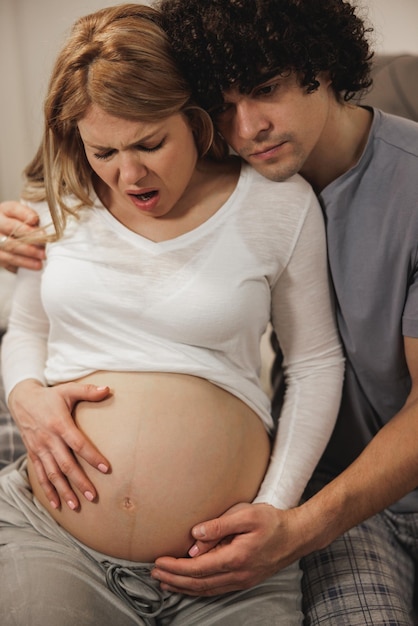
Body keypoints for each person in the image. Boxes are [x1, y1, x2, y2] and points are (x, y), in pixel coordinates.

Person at [1, 0, 416, 623]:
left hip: (299, 524)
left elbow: (316, 364)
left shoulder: (302, 199)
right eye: (224, 105)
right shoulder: (69, 201)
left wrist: (284, 518)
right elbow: (29, 321)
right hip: (65, 533)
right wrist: (23, 395)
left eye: (265, 89)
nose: (245, 129)